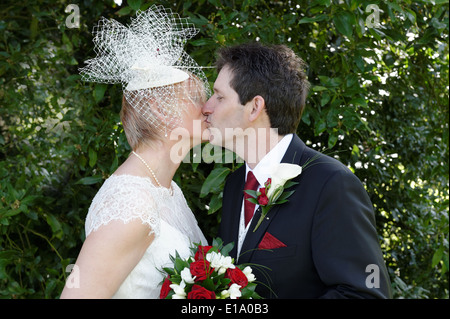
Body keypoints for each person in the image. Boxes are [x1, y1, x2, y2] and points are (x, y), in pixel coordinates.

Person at [201, 42, 392, 298]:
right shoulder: (236, 185)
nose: (206, 107)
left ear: (255, 107)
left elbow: (365, 294)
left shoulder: (331, 184)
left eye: (219, 96)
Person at [60, 6, 209, 298]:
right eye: (195, 98)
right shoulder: (130, 203)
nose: (207, 108)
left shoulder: (168, 190)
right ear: (159, 109)